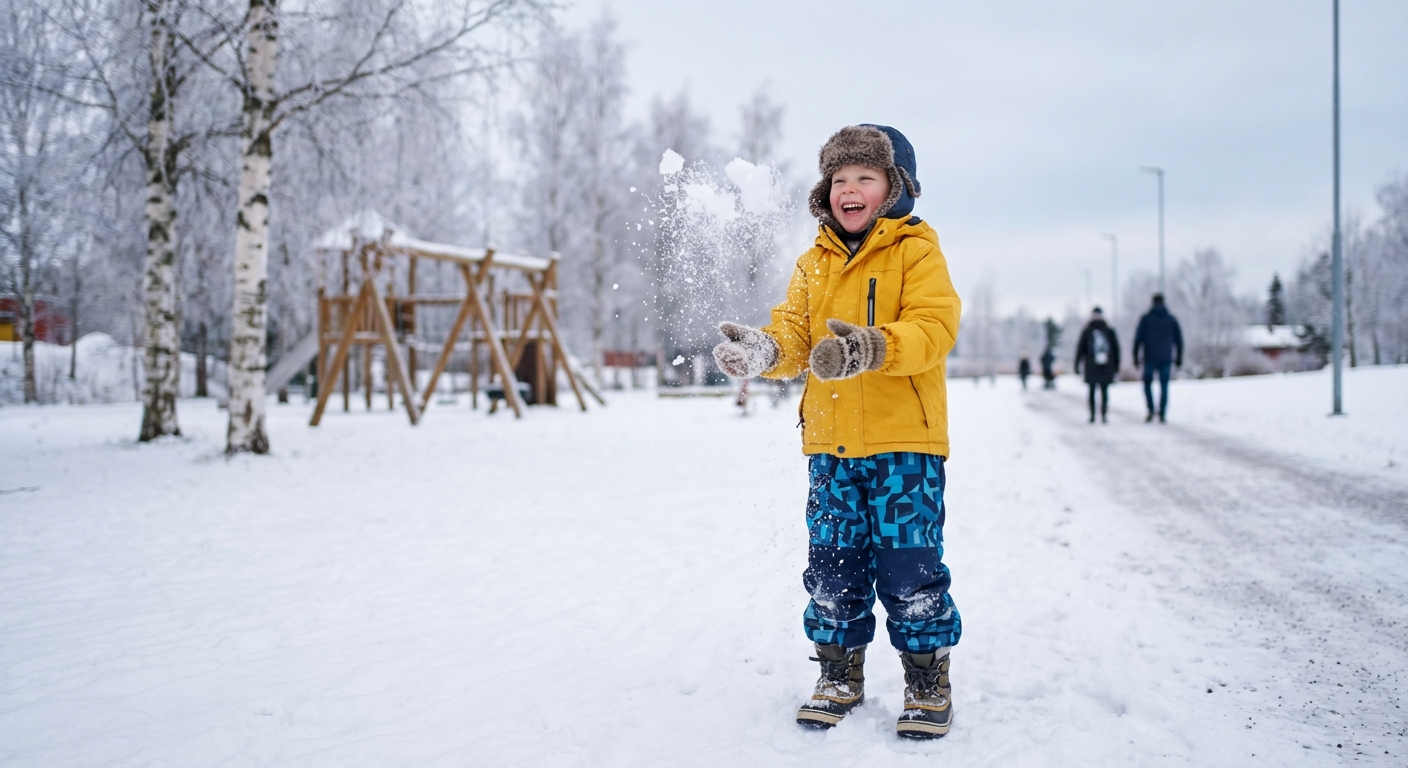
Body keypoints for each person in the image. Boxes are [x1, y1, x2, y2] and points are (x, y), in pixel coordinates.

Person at [711, 125, 960, 740]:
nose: (849, 189)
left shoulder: (916, 252)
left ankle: (927, 679)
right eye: (839, 179)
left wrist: (873, 347)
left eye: (864, 177)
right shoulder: (813, 263)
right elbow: (795, 335)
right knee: (832, 565)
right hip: (830, 446)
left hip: (905, 446)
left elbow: (933, 329)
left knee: (909, 565)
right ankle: (838, 672)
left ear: (895, 188)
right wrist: (765, 351)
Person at [1133, 293, 1183, 423]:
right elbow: (1179, 340)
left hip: (1149, 357)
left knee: (1147, 383)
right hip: (1166, 358)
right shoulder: (1171, 319)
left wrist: (1135, 357)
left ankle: (1150, 410)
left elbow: (1138, 339)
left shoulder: (1146, 319)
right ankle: (1162, 413)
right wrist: (1179, 358)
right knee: (1164, 385)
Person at [1073, 307, 1120, 423]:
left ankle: (1092, 415)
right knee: (1104, 391)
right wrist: (1116, 367)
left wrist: (1077, 365)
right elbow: (1116, 349)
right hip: (1107, 366)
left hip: (1091, 366)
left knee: (1092, 391)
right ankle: (1104, 415)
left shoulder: (1087, 331)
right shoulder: (1109, 330)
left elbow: (1080, 349)